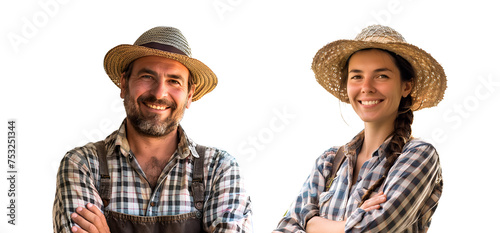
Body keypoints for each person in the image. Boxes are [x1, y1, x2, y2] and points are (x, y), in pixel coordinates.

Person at [53, 26, 252, 233]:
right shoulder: (84, 165)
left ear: (189, 95)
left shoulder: (219, 170)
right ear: (124, 84)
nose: (159, 93)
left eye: (174, 81)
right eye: (147, 77)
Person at [274, 25, 446, 232]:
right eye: (356, 76)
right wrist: (351, 223)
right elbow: (284, 228)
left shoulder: (419, 155)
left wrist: (311, 223)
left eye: (381, 76)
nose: (367, 86)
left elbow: (371, 229)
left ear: (405, 87)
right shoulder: (329, 162)